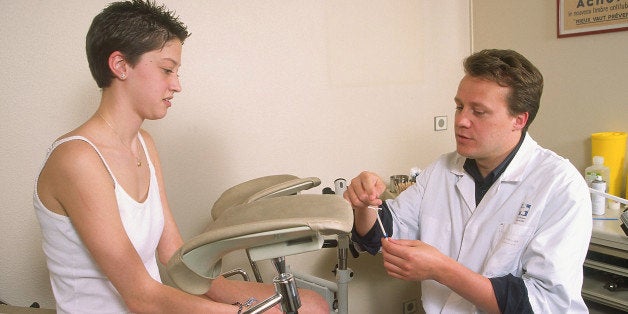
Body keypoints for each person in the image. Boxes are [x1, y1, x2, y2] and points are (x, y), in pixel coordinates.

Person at [33, 1, 328, 313]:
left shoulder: (143, 143)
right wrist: (243, 312)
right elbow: (140, 296)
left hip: (149, 302)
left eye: (176, 71)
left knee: (312, 304)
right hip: (138, 304)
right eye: (166, 70)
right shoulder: (77, 159)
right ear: (120, 65)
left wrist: (251, 297)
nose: (177, 85)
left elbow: (173, 253)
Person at [344, 49, 591, 313]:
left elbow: (543, 303)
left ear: (519, 120)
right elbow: (382, 233)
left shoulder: (559, 186)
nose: (461, 121)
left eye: (479, 112)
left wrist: (442, 270)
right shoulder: (442, 169)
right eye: (459, 106)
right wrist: (364, 204)